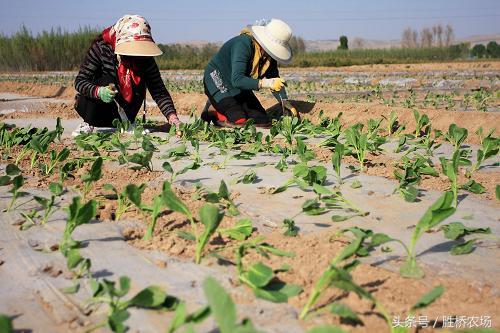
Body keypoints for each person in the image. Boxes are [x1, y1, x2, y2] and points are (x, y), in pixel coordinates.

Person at [72, 14, 181, 136]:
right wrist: (98, 91)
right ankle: (88, 123)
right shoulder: (100, 49)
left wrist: (172, 116)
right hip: (97, 110)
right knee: (107, 80)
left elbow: (158, 90)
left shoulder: (145, 58)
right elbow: (80, 81)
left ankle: (126, 122)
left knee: (138, 79)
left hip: (126, 114)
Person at [202, 18, 298, 128]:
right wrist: (266, 83)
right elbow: (237, 80)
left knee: (263, 121)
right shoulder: (243, 44)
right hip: (217, 79)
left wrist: (284, 102)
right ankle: (213, 109)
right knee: (239, 120)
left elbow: (274, 79)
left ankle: (224, 106)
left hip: (238, 85)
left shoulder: (268, 56)